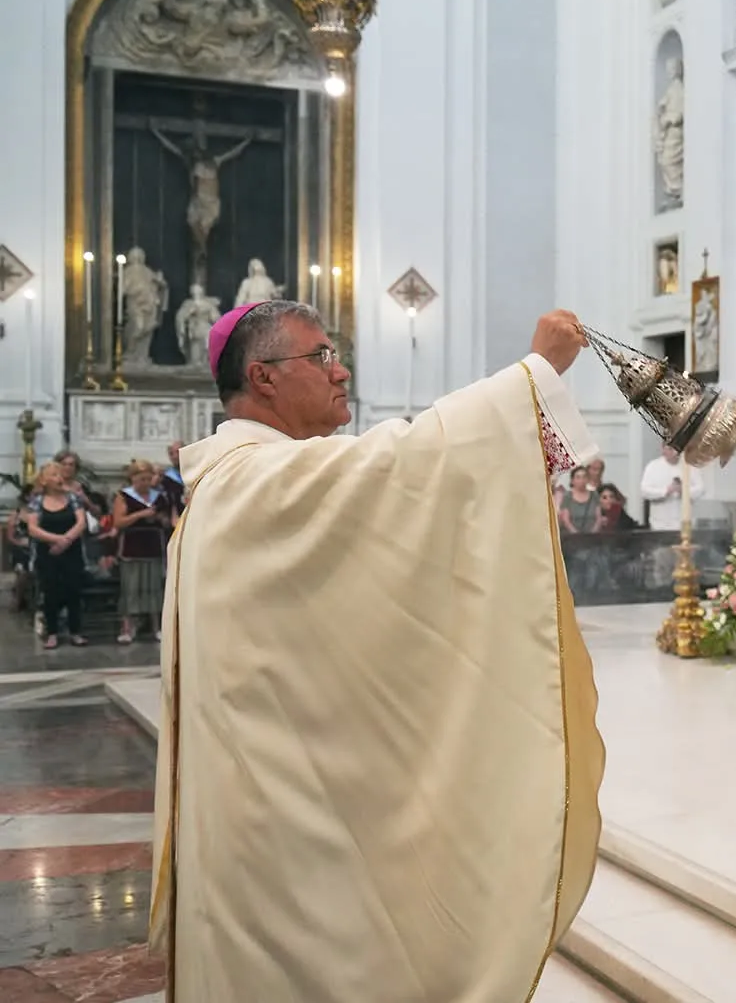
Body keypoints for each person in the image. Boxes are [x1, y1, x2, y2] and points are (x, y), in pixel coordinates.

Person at [152, 300, 606, 1001]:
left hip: (272, 805)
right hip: (280, 832)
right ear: (262, 376)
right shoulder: (254, 481)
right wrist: (534, 375)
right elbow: (409, 461)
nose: (342, 372)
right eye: (321, 357)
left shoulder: (240, 480)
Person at [25, 468, 88, 649]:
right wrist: (56, 540)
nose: (59, 477)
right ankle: (52, 633)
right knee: (50, 592)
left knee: (73, 590)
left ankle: (75, 632)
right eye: (54, 475)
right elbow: (33, 528)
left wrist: (66, 540)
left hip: (72, 551)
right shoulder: (37, 501)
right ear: (44, 481)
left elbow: (81, 523)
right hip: (48, 552)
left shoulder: (73, 498)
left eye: (59, 474)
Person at [113, 460, 172, 644]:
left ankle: (156, 627)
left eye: (148, 479)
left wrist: (160, 519)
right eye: (141, 479)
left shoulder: (159, 496)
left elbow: (167, 521)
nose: (145, 483)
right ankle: (127, 628)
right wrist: (140, 515)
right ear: (132, 478)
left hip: (153, 545)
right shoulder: (124, 496)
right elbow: (118, 522)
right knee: (131, 588)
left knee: (154, 587)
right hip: (132, 546)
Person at [638, 445, 704, 530]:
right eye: (670, 449)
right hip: (660, 525)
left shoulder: (690, 466)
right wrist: (665, 491)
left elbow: (700, 489)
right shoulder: (653, 466)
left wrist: (683, 490)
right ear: (663, 449)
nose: (675, 453)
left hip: (685, 523)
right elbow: (644, 491)